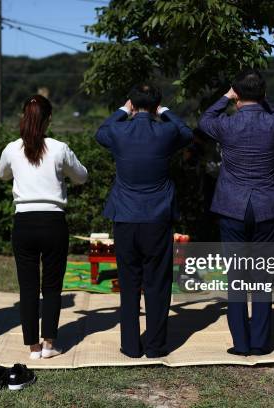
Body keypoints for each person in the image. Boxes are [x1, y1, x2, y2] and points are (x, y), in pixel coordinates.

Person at [96, 84, 193, 358]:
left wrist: (121, 111)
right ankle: (155, 345)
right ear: (156, 105)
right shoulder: (166, 131)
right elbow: (186, 132)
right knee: (157, 284)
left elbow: (100, 132)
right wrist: (164, 111)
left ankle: (130, 345)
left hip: (125, 217)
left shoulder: (118, 130)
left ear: (132, 104)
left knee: (128, 283)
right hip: (157, 217)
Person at [198, 69, 274, 356]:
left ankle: (241, 342)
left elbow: (204, 120)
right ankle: (261, 341)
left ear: (236, 96)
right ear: (262, 95)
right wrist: (260, 97)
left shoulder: (226, 124)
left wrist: (227, 95)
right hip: (265, 206)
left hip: (232, 205)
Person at [0, 95, 88, 359]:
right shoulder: (60, 148)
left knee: (27, 288)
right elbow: (82, 176)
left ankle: (32, 347)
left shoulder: (12, 148)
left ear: (23, 118)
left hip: (23, 223)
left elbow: (2, 174)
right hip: (53, 223)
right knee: (51, 287)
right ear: (49, 119)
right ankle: (49, 344)